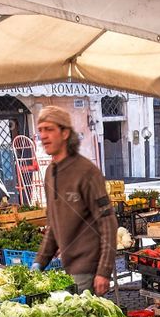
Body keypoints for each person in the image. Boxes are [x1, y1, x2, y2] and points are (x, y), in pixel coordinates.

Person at [33, 105, 116, 295]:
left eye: (49, 129)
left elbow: (108, 223)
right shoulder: (49, 173)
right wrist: (39, 261)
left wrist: (104, 271)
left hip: (88, 269)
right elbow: (53, 225)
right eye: (41, 130)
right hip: (67, 267)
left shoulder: (87, 172)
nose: (43, 136)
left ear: (64, 133)